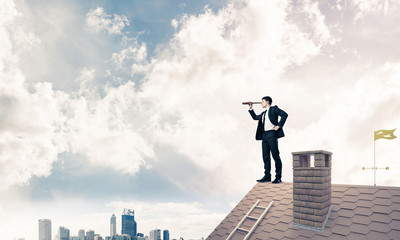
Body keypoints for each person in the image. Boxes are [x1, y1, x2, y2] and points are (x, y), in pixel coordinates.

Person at [248, 96, 288, 184]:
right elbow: (255, 117)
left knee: (275, 155)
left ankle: (278, 177)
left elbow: (284, 115)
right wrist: (251, 109)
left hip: (272, 134)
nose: (261, 103)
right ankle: (267, 176)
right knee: (265, 156)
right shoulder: (263, 113)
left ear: (267, 102)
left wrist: (279, 126)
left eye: (263, 101)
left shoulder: (274, 109)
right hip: (264, 135)